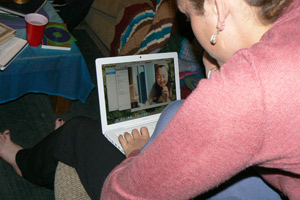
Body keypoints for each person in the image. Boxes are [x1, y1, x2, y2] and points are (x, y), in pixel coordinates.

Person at [1, 0, 300, 199]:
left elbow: (121, 197)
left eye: (186, 14)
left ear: (218, 10)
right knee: (174, 111)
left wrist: (136, 154)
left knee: (77, 131)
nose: (190, 28)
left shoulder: (243, 93)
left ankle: (23, 162)